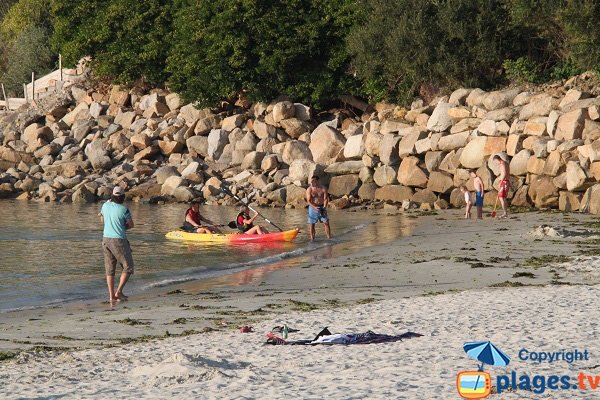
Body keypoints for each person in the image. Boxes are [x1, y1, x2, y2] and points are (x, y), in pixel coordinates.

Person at [100, 186, 134, 303]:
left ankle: (111, 296)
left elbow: (102, 220)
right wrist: (122, 226)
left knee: (110, 269)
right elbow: (131, 225)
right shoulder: (124, 210)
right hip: (119, 240)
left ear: (113, 196)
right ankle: (119, 292)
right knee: (128, 266)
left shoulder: (105, 206)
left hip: (105, 239)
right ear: (123, 197)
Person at [305, 175, 331, 240]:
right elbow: (308, 201)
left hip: (322, 206)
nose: (312, 183)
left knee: (326, 222)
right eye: (312, 181)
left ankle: (329, 238)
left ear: (318, 181)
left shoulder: (323, 188)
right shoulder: (309, 189)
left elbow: (325, 199)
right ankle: (312, 239)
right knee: (312, 224)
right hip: (313, 207)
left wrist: (324, 207)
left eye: (314, 181)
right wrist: (314, 207)